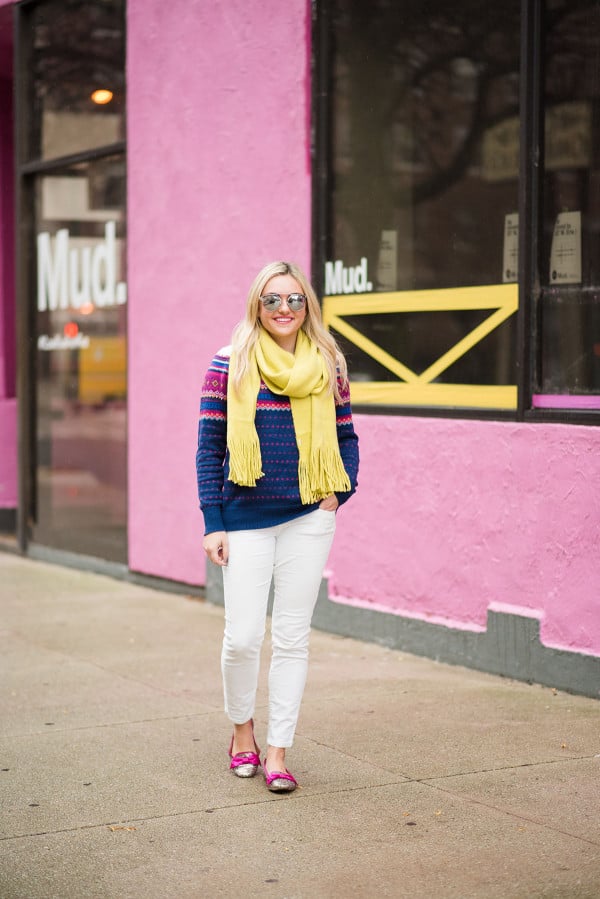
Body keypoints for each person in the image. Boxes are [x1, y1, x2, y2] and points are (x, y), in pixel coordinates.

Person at [196, 260, 359, 793]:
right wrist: (212, 522)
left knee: (292, 637)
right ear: (256, 306)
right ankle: (241, 731)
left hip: (311, 514)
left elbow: (347, 436)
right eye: (272, 300)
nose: (284, 309)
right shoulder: (230, 363)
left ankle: (277, 750)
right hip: (244, 518)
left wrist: (343, 489)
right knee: (243, 637)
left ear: (307, 305)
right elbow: (208, 449)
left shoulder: (329, 362)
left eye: (294, 299)